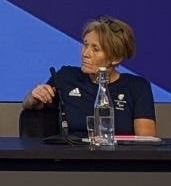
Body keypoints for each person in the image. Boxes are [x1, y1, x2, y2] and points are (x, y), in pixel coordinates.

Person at [22, 15, 156, 136]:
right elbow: (30, 105)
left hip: (118, 154)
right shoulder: (66, 76)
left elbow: (146, 141)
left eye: (95, 49)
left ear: (116, 58)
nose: (85, 53)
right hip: (71, 153)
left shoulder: (137, 87)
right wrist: (34, 96)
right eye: (85, 45)